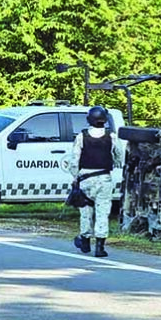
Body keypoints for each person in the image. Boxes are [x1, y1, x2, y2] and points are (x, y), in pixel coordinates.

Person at [67, 105, 124, 257]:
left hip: (85, 178)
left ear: (89, 119)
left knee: (85, 212)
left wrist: (75, 177)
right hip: (104, 178)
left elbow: (74, 160)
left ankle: (85, 241)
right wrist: (117, 163)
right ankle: (100, 247)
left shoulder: (81, 136)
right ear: (104, 120)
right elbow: (119, 155)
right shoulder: (111, 136)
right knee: (102, 212)